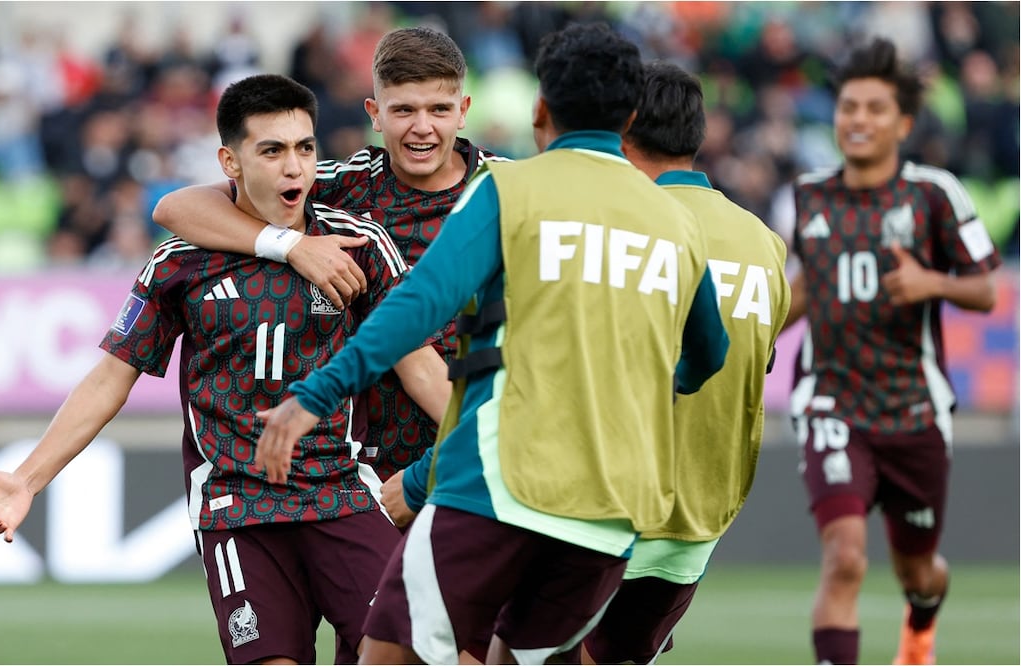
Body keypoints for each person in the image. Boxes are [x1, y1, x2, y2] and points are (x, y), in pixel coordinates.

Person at [253, 22, 730, 665]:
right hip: (615, 508)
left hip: (494, 483)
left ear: (539, 110)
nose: (423, 126)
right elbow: (708, 357)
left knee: (386, 654)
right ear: (632, 115)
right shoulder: (673, 218)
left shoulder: (508, 190)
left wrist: (315, 394)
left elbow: (416, 304)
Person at [0, 73, 450, 665]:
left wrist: (483, 444)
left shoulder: (359, 245)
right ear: (231, 160)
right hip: (236, 506)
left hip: (341, 494)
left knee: (410, 653)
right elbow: (108, 380)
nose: (294, 167)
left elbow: (420, 367)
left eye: (304, 148)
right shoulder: (180, 263)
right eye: (271, 151)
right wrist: (26, 480)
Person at [154, 27, 506, 488]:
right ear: (375, 114)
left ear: (462, 112)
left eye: (439, 109)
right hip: (374, 475)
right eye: (403, 110)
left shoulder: (513, 191)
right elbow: (176, 208)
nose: (422, 127)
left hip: (483, 458)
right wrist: (292, 245)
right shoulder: (344, 185)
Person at [782, 38, 1001, 665]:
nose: (858, 119)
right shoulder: (807, 195)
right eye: (849, 106)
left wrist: (932, 283)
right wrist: (756, 332)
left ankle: (922, 622)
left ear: (902, 123)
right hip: (831, 402)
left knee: (919, 572)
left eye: (875, 108)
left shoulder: (935, 194)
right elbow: (801, 291)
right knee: (844, 557)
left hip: (913, 411)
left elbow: (986, 288)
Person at [580, 60, 792, 664]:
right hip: (701, 515)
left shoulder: (618, 229)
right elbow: (758, 360)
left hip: (603, 507)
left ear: (620, 131)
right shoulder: (763, 243)